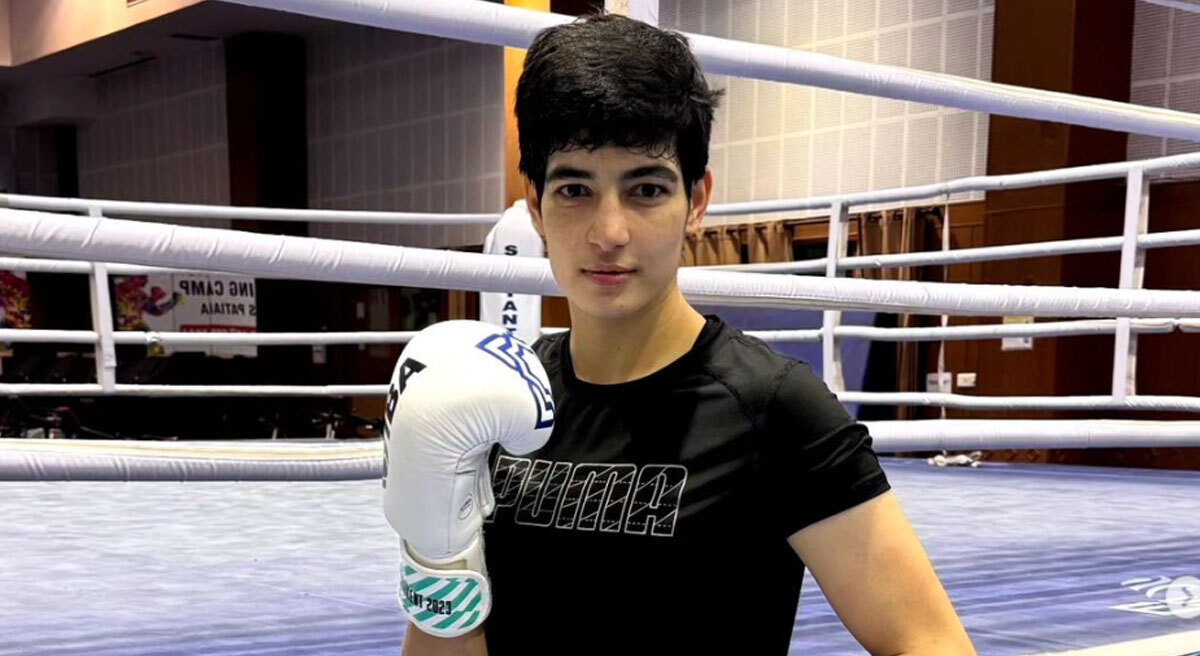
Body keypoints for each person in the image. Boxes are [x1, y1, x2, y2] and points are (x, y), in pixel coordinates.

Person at [399, 13, 975, 656]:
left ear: (696, 201)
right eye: (574, 189)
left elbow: (930, 643)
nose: (609, 232)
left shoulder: (772, 407)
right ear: (535, 205)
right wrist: (433, 553)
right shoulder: (499, 402)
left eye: (646, 189)